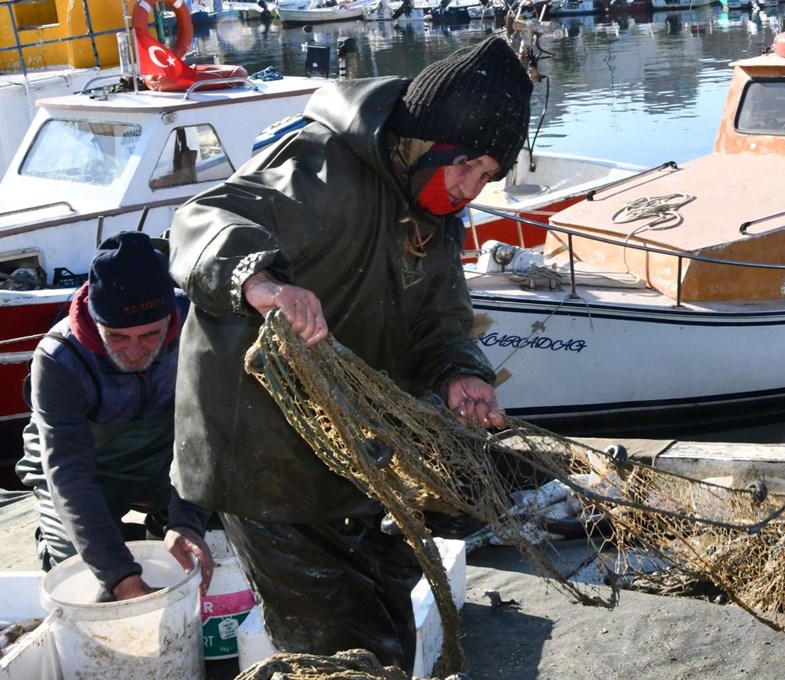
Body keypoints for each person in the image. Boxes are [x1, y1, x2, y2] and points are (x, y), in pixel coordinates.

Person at [167, 36, 532, 672]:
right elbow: (203, 217)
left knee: (394, 623)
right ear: (426, 141)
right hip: (259, 453)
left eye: (489, 177)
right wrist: (262, 283)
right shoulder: (322, 164)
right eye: (466, 165)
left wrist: (460, 372)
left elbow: (442, 318)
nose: (472, 187)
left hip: (347, 448)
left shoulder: (432, 206)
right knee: (343, 648)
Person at [16, 231, 214, 601]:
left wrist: (186, 520)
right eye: (118, 337)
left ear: (170, 318)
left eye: (150, 335)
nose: (136, 352)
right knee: (81, 573)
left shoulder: (197, 327)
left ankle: (162, 521)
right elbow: (69, 471)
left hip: (168, 456)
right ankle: (67, 539)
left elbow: (211, 432)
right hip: (88, 466)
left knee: (223, 532)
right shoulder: (59, 360)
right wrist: (119, 574)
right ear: (94, 316)